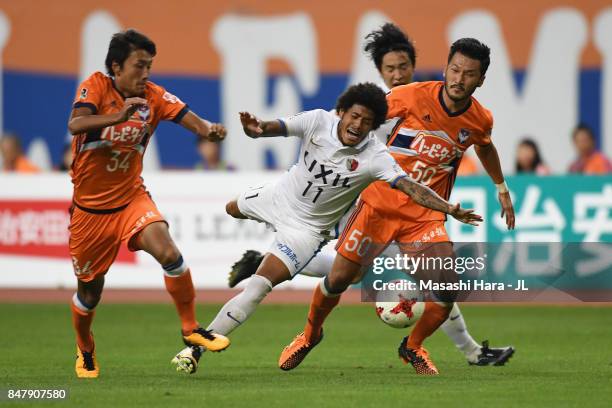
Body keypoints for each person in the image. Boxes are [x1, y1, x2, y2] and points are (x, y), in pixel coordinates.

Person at [222, 24, 511, 369]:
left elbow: (485, 145)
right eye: (455, 69)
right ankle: (309, 334)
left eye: (469, 74)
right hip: (375, 205)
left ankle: (419, 347)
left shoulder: (479, 118)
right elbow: (346, 123)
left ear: (480, 80)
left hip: (423, 215)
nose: (459, 79)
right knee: (344, 277)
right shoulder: (403, 99)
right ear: (446, 66)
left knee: (445, 286)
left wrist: (501, 187)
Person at [171, 83, 482, 374]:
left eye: (367, 121)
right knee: (231, 208)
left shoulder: (376, 156)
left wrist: (447, 208)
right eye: (354, 115)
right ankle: (256, 244)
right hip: (277, 198)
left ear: (374, 126)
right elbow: (277, 127)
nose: (358, 125)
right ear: (342, 112)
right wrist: (258, 129)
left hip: (305, 231)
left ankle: (196, 348)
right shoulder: (318, 121)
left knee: (259, 287)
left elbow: (411, 187)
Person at [67, 29, 229, 378]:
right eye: (139, 66)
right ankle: (86, 349)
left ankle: (190, 328)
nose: (146, 74)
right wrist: (118, 117)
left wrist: (209, 130)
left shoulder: (153, 96)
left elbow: (191, 120)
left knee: (169, 253)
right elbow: (75, 123)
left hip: (131, 200)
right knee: (89, 294)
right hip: (90, 213)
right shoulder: (96, 86)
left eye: (149, 66)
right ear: (116, 67)